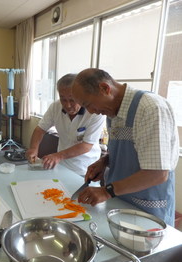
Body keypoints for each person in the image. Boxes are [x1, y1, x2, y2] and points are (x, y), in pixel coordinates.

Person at [71, 68, 179, 226]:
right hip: (120, 201)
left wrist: (106, 191)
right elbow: (130, 149)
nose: (91, 112)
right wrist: (105, 161)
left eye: (89, 104)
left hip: (147, 208)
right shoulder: (112, 111)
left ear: (105, 88)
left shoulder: (150, 109)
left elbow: (157, 173)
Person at [25, 74, 105, 175]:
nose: (67, 105)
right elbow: (40, 129)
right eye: (63, 99)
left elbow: (86, 145)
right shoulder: (55, 107)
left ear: (81, 96)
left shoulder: (95, 112)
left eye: (72, 100)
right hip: (61, 166)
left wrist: (58, 156)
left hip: (85, 168)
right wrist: (33, 148)